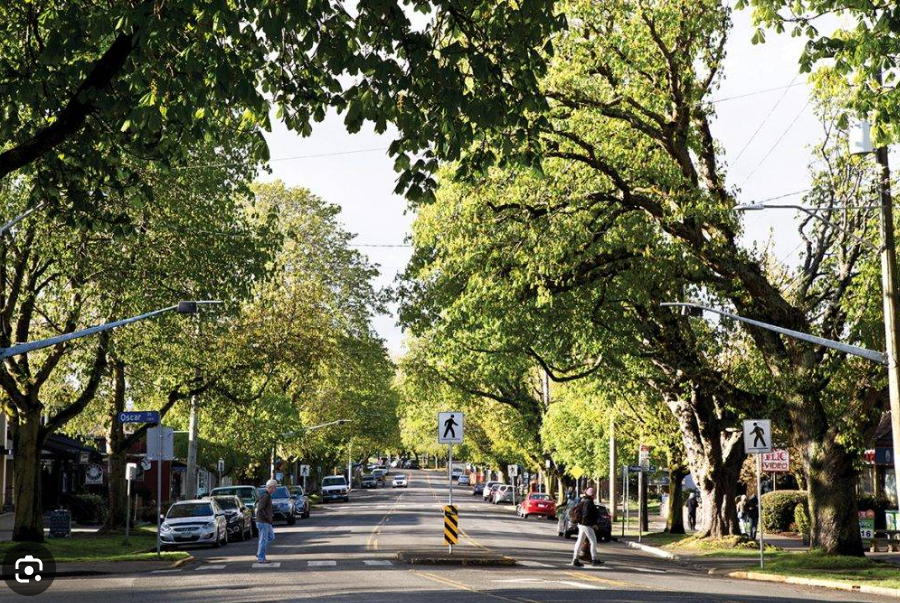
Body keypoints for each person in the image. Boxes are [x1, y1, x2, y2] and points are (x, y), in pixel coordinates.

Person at [570, 487, 602, 567]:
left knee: (579, 542)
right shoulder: (588, 502)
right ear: (592, 495)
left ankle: (575, 559)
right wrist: (593, 524)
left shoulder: (584, 500)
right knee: (593, 541)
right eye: (594, 494)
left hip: (581, 524)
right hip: (586, 525)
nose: (595, 495)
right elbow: (586, 515)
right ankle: (594, 560)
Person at [256, 478, 277, 564]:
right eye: (274, 487)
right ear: (270, 487)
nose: (275, 489)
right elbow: (260, 509)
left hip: (265, 522)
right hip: (263, 521)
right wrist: (267, 517)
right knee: (263, 540)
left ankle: (260, 552)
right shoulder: (265, 496)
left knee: (271, 537)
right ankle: (261, 558)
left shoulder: (267, 495)